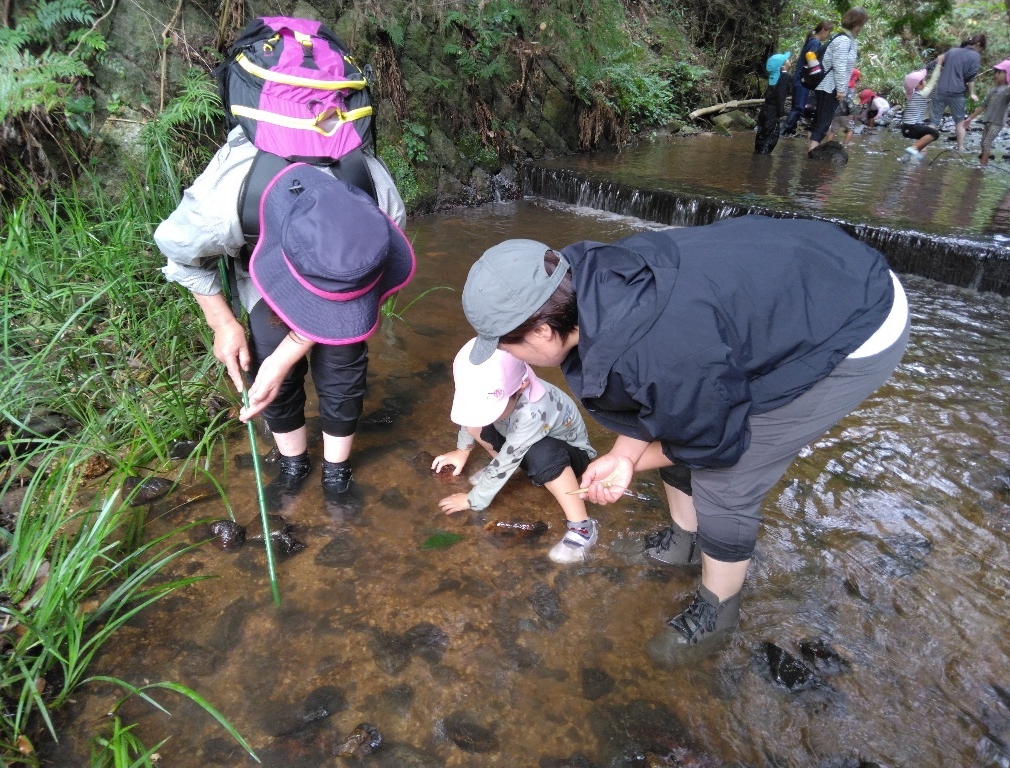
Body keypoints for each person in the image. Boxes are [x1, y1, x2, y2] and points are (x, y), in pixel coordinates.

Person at [460, 215, 909, 662]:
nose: (506, 355)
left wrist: (631, 463)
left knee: (726, 480)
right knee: (683, 417)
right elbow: (666, 397)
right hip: (798, 275)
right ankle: (685, 542)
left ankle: (718, 613)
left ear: (542, 330)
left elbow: (715, 440)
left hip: (855, 319)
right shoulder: (585, 278)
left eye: (505, 345)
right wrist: (623, 451)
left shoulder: (662, 348)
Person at [155, 128, 412, 507]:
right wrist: (223, 324)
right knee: (266, 350)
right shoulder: (223, 203)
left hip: (344, 275)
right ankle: (293, 463)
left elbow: (358, 290)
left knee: (344, 359)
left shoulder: (378, 200)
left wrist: (288, 354)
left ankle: (336, 471)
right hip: (270, 271)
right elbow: (180, 256)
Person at [432, 337, 598, 564]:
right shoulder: (489, 388)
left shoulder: (533, 410)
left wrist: (474, 500)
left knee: (543, 455)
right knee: (477, 423)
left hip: (568, 455)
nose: (479, 410)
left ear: (522, 386)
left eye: (488, 407)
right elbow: (471, 416)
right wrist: (462, 450)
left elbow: (512, 455)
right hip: (518, 440)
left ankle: (582, 528)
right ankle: (505, 469)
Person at [808, 8, 869, 156]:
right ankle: (811, 156)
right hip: (830, 87)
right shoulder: (844, 40)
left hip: (826, 86)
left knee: (818, 121)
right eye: (861, 24)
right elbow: (839, 66)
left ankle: (809, 152)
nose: (861, 28)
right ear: (856, 24)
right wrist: (841, 90)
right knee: (822, 124)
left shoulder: (842, 38)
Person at [930, 34, 987, 152]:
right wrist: (972, 93)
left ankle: (923, 146)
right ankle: (960, 148)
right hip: (957, 92)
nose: (980, 52)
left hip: (940, 90)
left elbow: (935, 63)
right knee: (960, 121)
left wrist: (922, 72)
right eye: (981, 50)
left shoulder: (952, 51)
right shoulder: (975, 56)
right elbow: (971, 76)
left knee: (934, 121)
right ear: (978, 45)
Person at [782, 21, 834, 136]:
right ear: (823, 30)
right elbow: (811, 62)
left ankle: (789, 132)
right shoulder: (815, 43)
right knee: (799, 108)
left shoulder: (811, 41)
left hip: (799, 79)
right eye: (829, 32)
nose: (828, 36)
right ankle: (783, 131)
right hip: (803, 81)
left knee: (796, 107)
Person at [964, 59, 1010, 166]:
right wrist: (970, 118)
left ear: (1007, 74)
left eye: (999, 72)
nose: (995, 75)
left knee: (986, 143)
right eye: (995, 72)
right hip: (988, 120)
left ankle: (982, 166)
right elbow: (983, 106)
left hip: (997, 122)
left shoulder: (1006, 89)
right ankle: (984, 163)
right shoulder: (993, 90)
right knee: (983, 143)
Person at [903, 55, 945, 159]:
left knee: (926, 134)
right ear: (918, 85)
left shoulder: (912, 94)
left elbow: (934, 91)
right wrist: (939, 64)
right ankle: (914, 148)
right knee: (934, 133)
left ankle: (907, 158)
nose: (926, 81)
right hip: (912, 126)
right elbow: (933, 81)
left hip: (906, 128)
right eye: (924, 80)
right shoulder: (921, 94)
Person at [754, 53, 791, 154]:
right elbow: (780, 96)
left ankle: (756, 161)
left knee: (761, 136)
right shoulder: (785, 76)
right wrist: (780, 113)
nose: (789, 60)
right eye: (786, 59)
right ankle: (763, 164)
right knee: (770, 139)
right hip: (773, 111)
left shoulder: (773, 76)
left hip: (765, 109)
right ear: (783, 65)